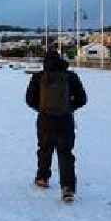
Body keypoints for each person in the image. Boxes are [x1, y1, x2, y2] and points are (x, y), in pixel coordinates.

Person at [25, 49, 87, 203]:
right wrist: (69, 107)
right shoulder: (70, 76)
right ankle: (67, 188)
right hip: (65, 119)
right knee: (65, 153)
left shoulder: (38, 77)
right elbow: (82, 99)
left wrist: (41, 108)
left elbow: (29, 99)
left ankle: (42, 178)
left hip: (45, 119)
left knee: (44, 149)